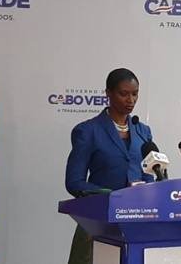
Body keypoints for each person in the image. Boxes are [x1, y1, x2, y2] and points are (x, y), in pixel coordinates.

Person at [64, 68, 155, 264]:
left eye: (135, 94)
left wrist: (147, 190)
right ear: (108, 93)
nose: (131, 100)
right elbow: (74, 182)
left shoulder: (143, 131)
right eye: (124, 94)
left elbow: (148, 174)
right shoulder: (88, 130)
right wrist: (111, 196)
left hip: (137, 222)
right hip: (98, 222)